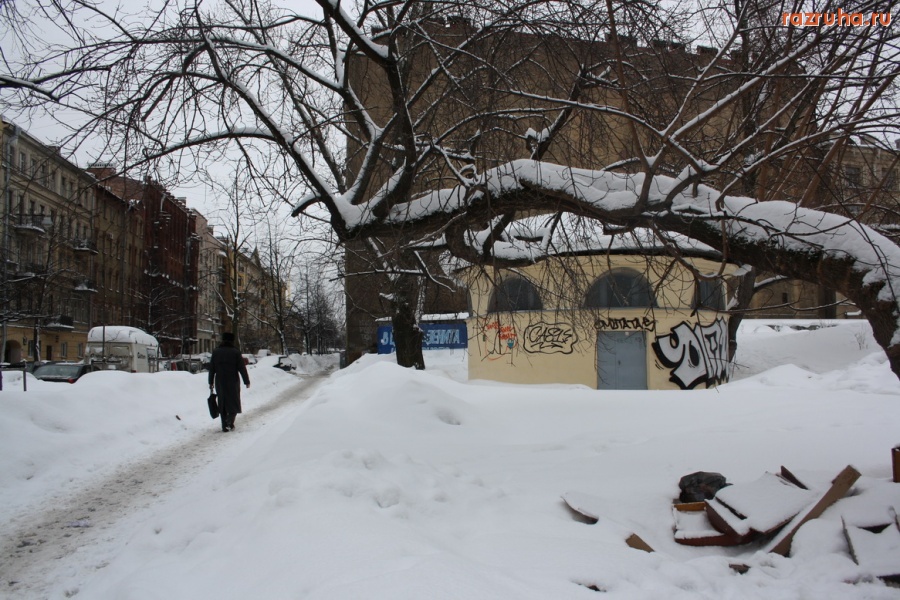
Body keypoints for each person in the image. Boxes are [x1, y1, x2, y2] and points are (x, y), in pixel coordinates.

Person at [208, 332, 250, 432]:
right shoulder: (235, 352)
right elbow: (242, 368)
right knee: (233, 402)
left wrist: (210, 382)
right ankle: (229, 421)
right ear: (232, 340)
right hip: (233, 380)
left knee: (222, 403)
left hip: (220, 381)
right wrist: (246, 381)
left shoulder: (216, 352)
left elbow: (212, 368)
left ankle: (224, 425)